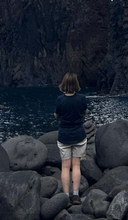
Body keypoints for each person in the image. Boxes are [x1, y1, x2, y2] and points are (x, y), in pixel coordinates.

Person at [54, 72, 88, 205]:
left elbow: (57, 115)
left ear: (64, 84)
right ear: (76, 84)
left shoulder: (60, 100)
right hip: (79, 135)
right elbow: (85, 111)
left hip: (64, 136)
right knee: (76, 166)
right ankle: (76, 195)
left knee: (65, 167)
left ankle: (66, 196)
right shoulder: (82, 98)